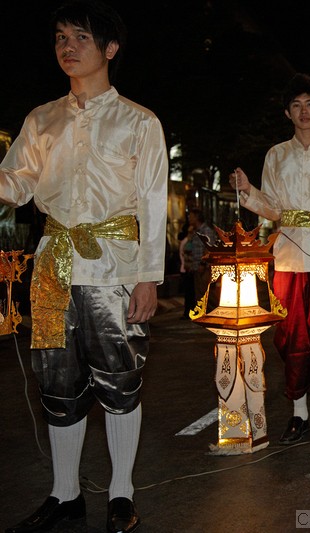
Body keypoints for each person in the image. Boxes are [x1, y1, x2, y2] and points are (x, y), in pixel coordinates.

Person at [0, 1, 167, 531]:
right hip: (53, 267)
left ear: (110, 49)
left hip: (115, 269)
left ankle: (121, 495)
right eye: (60, 37)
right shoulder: (41, 119)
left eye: (80, 37)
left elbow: (153, 203)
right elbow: (16, 183)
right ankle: (65, 495)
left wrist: (149, 277)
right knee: (56, 383)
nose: (67, 47)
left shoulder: (139, 121)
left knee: (120, 380)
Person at [229, 73, 310, 445]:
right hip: (288, 258)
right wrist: (248, 191)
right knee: (293, 338)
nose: (304, 111)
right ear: (287, 113)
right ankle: (299, 415)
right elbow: (272, 208)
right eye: (296, 105)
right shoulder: (276, 154)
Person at [187, 208, 216, 303]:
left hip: (204, 268)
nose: (189, 219)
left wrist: (203, 264)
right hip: (196, 266)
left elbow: (208, 248)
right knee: (199, 294)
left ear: (197, 217)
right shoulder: (195, 231)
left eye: (191, 217)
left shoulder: (206, 231)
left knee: (206, 294)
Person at [178, 220, 196, 319]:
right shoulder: (187, 241)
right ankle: (189, 312)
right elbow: (186, 254)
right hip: (187, 269)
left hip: (187, 269)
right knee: (190, 292)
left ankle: (189, 311)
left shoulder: (187, 241)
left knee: (190, 293)